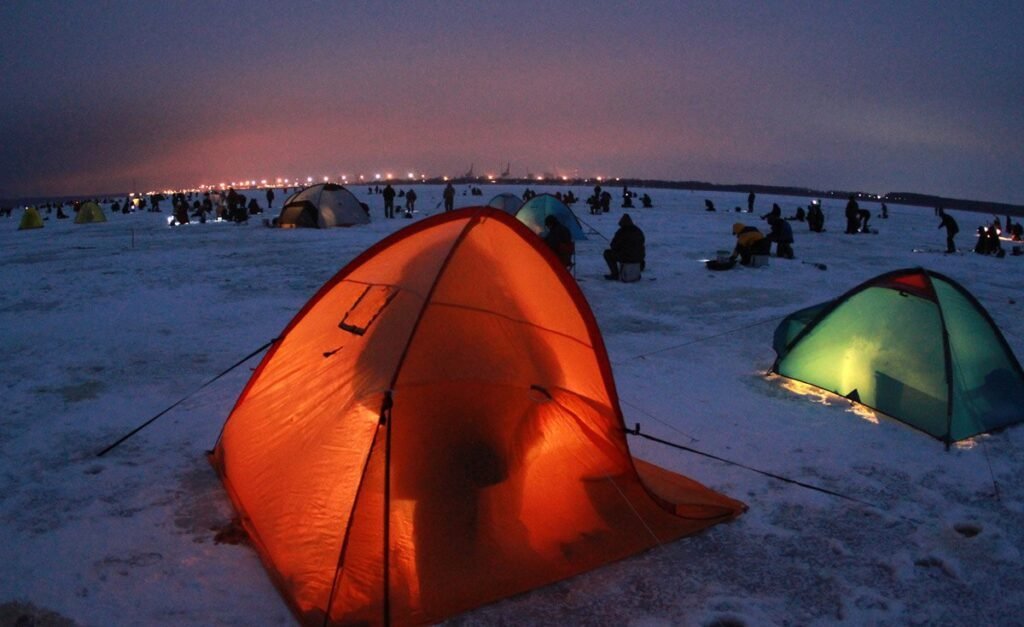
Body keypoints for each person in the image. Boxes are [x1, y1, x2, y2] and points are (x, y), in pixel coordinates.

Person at [603, 214, 646, 280]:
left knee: (607, 253)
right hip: (639, 258)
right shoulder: (638, 231)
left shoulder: (621, 232)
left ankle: (615, 274)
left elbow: (613, 245)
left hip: (626, 257)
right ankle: (638, 269)